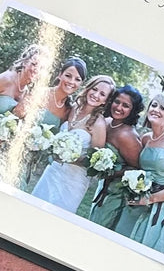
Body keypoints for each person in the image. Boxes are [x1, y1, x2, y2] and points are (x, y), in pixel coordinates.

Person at [115, 94, 164, 253]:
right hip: (137, 201)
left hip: (161, 205)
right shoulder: (145, 139)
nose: (156, 110)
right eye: (154, 105)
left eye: (162, 108)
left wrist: (151, 199)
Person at [0, 56, 87, 190]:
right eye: (68, 75)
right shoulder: (40, 94)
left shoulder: (68, 110)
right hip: (9, 153)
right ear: (60, 75)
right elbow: (12, 119)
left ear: (81, 84)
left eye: (77, 79)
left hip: (30, 162)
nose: (72, 81)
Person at [31, 74, 114, 213]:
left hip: (73, 180)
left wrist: (71, 157)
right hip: (53, 170)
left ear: (105, 101)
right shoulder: (74, 107)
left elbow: (94, 162)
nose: (96, 95)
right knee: (34, 207)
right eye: (94, 89)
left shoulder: (98, 123)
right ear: (88, 89)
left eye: (102, 94)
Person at [88, 85, 146, 230]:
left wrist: (110, 172)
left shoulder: (127, 136)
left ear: (132, 111)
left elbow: (137, 168)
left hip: (116, 194)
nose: (119, 107)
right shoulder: (108, 123)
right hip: (103, 188)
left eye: (125, 105)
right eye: (117, 101)